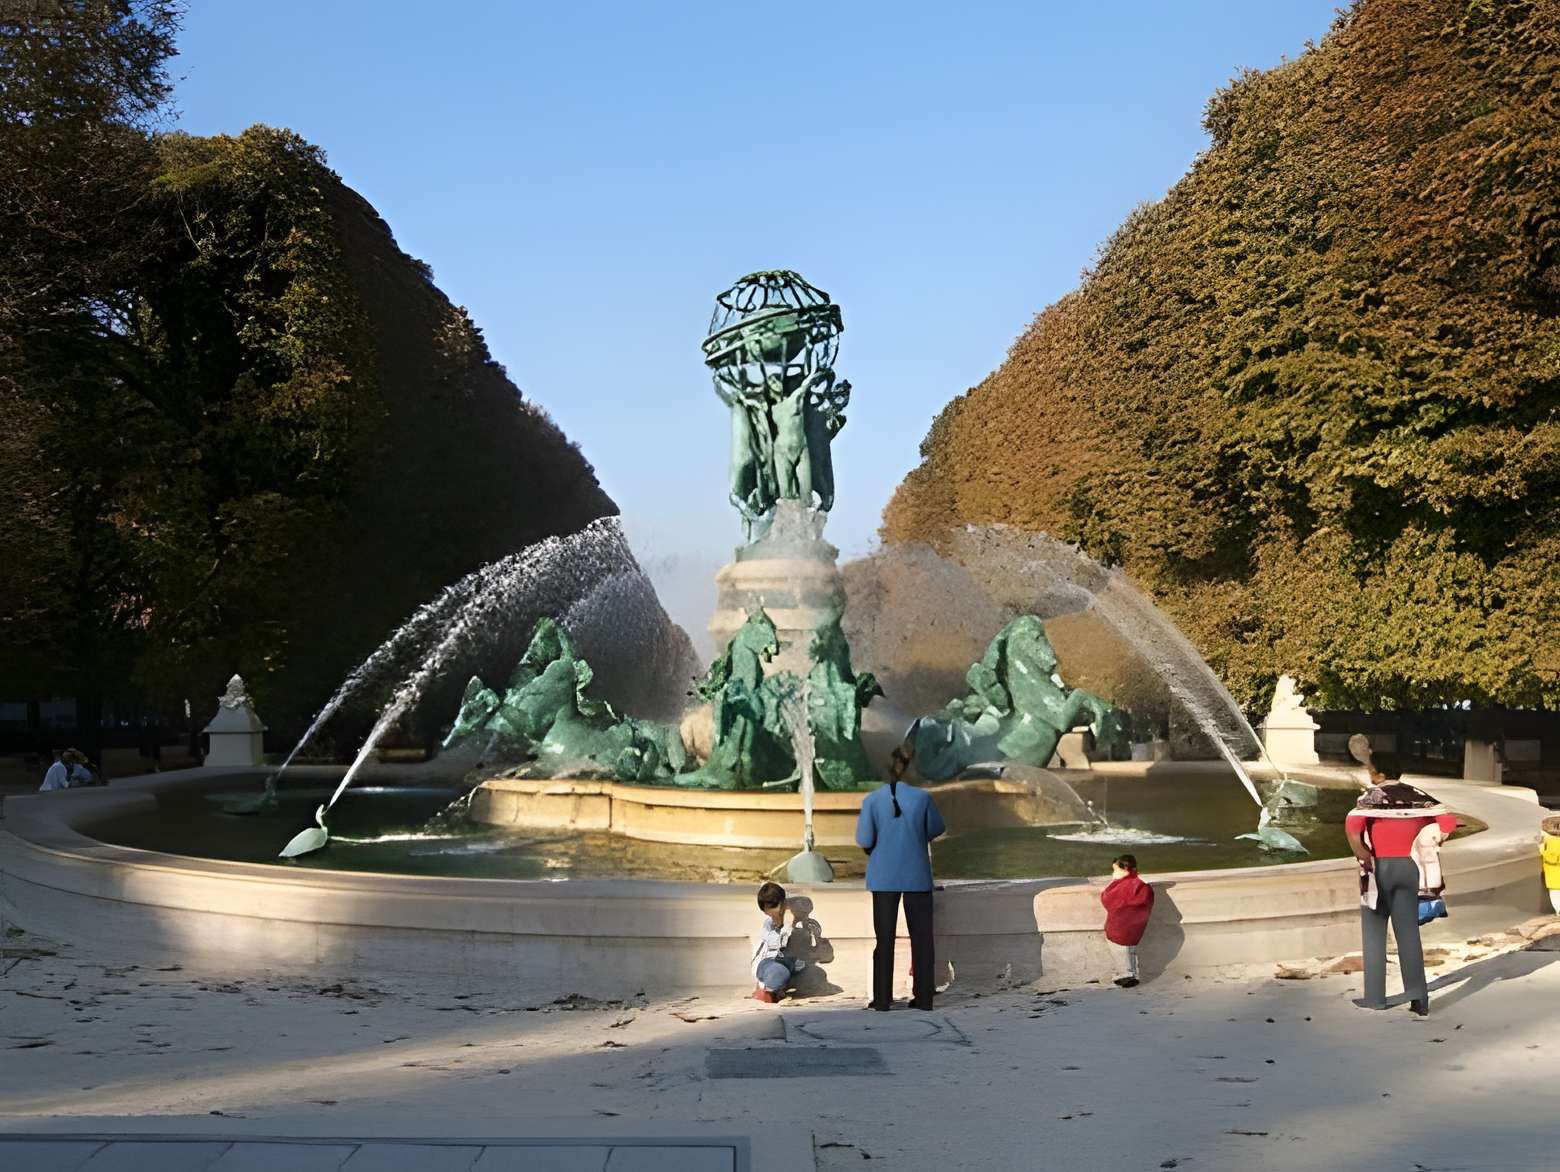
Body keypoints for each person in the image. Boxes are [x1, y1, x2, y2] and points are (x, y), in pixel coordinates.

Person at [1345, 753, 1458, 1016]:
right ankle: (1419, 997)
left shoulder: (1371, 798)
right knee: (1408, 932)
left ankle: (1375, 997)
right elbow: (1449, 821)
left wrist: (1362, 854)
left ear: (1379, 774)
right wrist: (1432, 840)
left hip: (1379, 867)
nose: (1369, 773)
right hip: (1409, 867)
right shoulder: (1418, 798)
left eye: (1371, 769)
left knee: (1374, 930)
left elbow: (1352, 826)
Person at [855, 740, 946, 1011]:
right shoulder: (922, 798)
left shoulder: (872, 800)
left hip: (883, 876)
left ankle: (882, 999)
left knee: (884, 941)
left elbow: (864, 838)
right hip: (916, 875)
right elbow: (936, 828)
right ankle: (924, 998)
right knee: (922, 940)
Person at [1100, 853, 1154, 988]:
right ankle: (1133, 973)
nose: (1113, 873)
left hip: (1120, 925)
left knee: (1120, 950)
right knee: (1131, 950)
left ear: (1124, 869)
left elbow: (1107, 900)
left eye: (1115, 869)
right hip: (1136, 925)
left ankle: (1126, 974)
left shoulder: (1121, 885)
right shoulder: (1141, 885)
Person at [750, 882, 804, 1003]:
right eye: (767, 912)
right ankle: (765, 987)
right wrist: (783, 925)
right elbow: (779, 947)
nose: (771, 915)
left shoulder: (794, 917)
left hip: (792, 964)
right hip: (769, 962)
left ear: (784, 904)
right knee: (779, 973)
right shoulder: (769, 924)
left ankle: (778, 988)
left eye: (774, 909)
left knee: (815, 977)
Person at [1541, 815, 1560, 916]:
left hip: (1554, 873)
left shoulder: (1550, 841)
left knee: (1555, 893)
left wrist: (1541, 849)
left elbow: (1550, 857)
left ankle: (1558, 911)